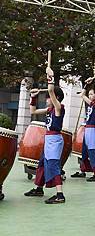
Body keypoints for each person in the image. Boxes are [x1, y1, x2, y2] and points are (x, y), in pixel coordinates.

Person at [23, 65, 66, 204]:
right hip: (48, 139)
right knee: (41, 164)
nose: (47, 99)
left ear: (56, 98)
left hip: (54, 139)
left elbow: (52, 91)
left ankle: (60, 195)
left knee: (53, 165)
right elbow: (33, 111)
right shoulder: (50, 109)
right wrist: (33, 97)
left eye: (48, 97)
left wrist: (50, 77)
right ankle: (38, 188)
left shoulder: (59, 108)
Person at [71, 70, 95, 182]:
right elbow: (82, 95)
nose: (90, 95)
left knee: (93, 151)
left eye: (92, 94)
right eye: (90, 94)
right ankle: (83, 170)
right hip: (87, 130)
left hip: (92, 130)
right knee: (84, 152)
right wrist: (87, 84)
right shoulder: (90, 104)